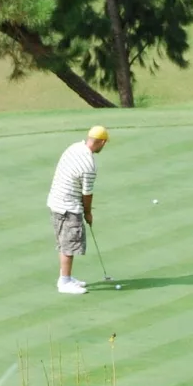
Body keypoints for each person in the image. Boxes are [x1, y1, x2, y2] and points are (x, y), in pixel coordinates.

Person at [47, 125, 109, 294]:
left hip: (55, 201)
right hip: (68, 206)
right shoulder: (89, 164)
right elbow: (87, 193)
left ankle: (66, 277)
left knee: (64, 242)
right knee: (69, 243)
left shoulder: (74, 147)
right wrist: (88, 212)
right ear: (102, 142)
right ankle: (64, 282)